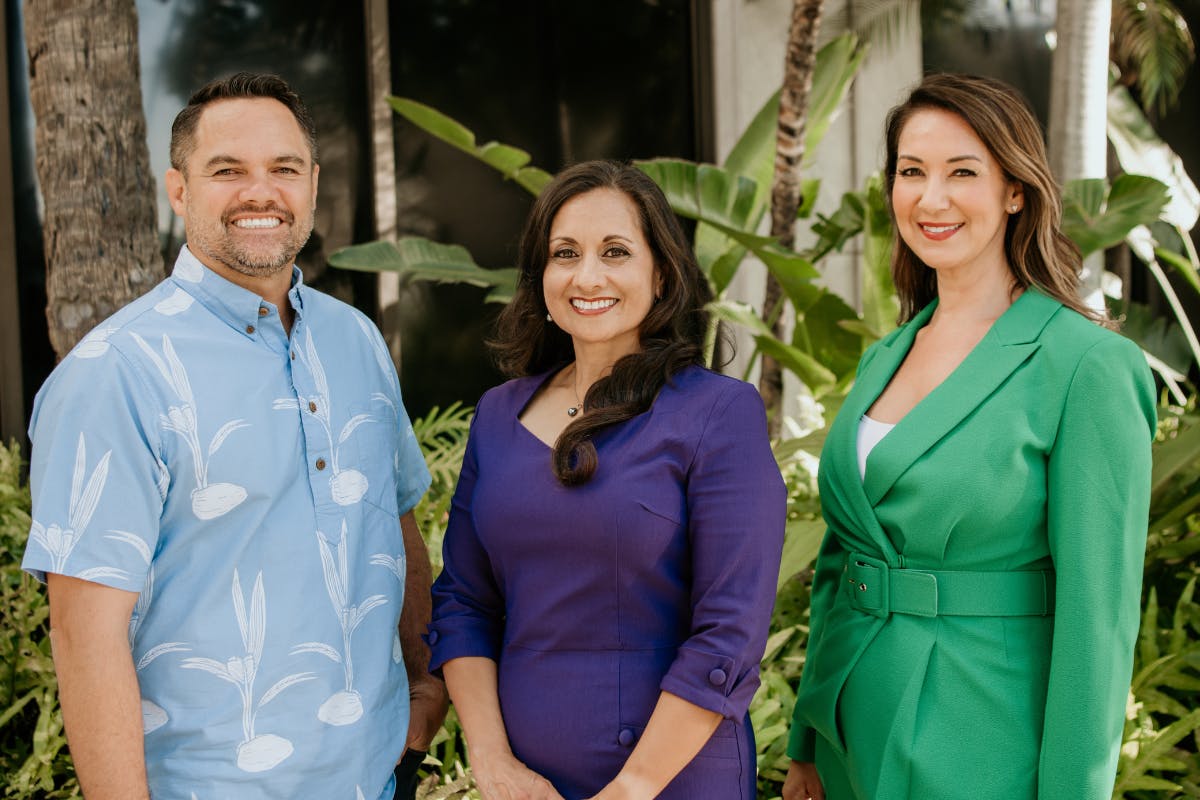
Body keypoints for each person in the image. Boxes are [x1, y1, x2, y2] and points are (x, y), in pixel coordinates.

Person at [22, 73, 447, 799]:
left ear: (312, 185)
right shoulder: (116, 374)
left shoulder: (356, 341)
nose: (261, 192)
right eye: (228, 170)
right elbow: (84, 638)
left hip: (377, 780)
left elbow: (394, 521)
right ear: (179, 191)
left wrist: (425, 685)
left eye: (283, 169)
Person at [782, 73, 1156, 800]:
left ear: (1016, 189)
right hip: (850, 733)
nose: (931, 198)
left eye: (963, 172)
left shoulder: (1088, 365)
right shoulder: (888, 354)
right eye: (911, 172)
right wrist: (806, 739)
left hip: (983, 741)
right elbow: (845, 556)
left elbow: (1099, 623)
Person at [426, 160, 786, 800]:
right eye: (565, 254)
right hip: (522, 784)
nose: (587, 276)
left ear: (663, 273)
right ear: (541, 278)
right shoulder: (498, 414)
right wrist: (492, 763)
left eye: (615, 252)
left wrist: (633, 787)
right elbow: (464, 603)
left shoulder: (717, 413)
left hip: (669, 779)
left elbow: (728, 634)